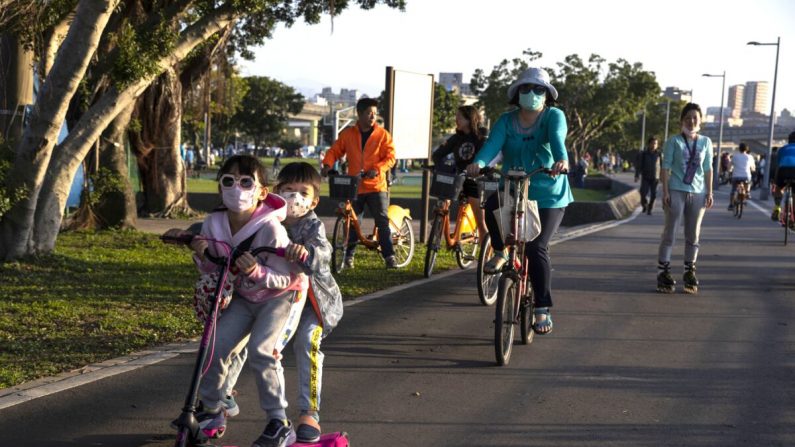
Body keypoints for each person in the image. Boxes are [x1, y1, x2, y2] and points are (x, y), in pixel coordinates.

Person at [164, 154, 307, 447]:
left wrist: (257, 271)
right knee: (214, 346)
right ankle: (213, 410)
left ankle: (280, 422)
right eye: (228, 181)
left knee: (261, 351)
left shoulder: (271, 228)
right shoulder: (214, 222)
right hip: (243, 295)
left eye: (246, 182)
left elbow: (286, 277)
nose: (237, 188)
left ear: (262, 191)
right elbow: (214, 268)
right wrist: (202, 254)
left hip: (279, 297)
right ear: (220, 187)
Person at [466, 67, 572, 335]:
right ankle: (501, 251)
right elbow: (492, 146)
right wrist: (479, 162)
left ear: (547, 95)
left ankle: (542, 307)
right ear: (517, 94)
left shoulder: (553, 116)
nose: (532, 94)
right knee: (490, 207)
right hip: (513, 187)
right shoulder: (506, 120)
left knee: (536, 247)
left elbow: (558, 142)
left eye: (539, 89)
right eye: (526, 88)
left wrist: (562, 160)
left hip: (549, 193)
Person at [321, 97, 397, 269]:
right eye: (369, 113)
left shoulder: (383, 135)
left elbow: (391, 158)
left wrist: (377, 169)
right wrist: (327, 164)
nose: (373, 117)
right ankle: (348, 257)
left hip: (377, 186)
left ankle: (389, 256)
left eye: (375, 114)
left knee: (382, 222)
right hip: (355, 186)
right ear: (360, 113)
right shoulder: (348, 134)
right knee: (353, 223)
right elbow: (335, 151)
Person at [656, 103, 714, 294]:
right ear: (682, 120)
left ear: (700, 121)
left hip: (698, 193)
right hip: (676, 190)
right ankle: (663, 272)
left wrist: (710, 192)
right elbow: (665, 168)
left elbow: (708, 169)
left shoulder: (705, 142)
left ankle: (690, 271)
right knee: (670, 233)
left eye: (695, 118)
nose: (691, 121)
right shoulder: (674, 141)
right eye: (688, 117)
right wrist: (665, 192)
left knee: (693, 235)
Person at [431, 105, 489, 240]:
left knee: (481, 222)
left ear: (470, 119)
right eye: (456, 116)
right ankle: (438, 224)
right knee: (443, 198)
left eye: (460, 117)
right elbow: (438, 155)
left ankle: (486, 251)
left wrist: (479, 169)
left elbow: (486, 157)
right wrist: (441, 166)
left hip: (474, 180)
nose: (456, 119)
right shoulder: (456, 138)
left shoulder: (481, 137)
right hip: (457, 178)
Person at [635, 136, 662, 215]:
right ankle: (645, 205)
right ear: (649, 144)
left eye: (656, 144)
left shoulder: (659, 154)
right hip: (646, 177)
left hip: (655, 178)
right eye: (653, 143)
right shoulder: (643, 154)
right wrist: (637, 175)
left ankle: (650, 208)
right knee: (643, 193)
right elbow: (639, 165)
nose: (654, 145)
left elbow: (663, 166)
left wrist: (663, 177)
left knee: (654, 194)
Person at [772, 132, 795, 222]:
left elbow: (777, 165)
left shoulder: (782, 149)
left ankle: (777, 207)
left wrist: (774, 179)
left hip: (783, 171)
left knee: (778, 188)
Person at [727, 143, 755, 211]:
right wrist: (753, 170)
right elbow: (753, 168)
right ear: (747, 149)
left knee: (733, 190)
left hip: (736, 176)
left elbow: (730, 166)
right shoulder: (750, 157)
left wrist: (730, 170)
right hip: (746, 175)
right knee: (748, 182)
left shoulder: (735, 156)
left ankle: (731, 204)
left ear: (739, 149)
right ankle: (748, 192)